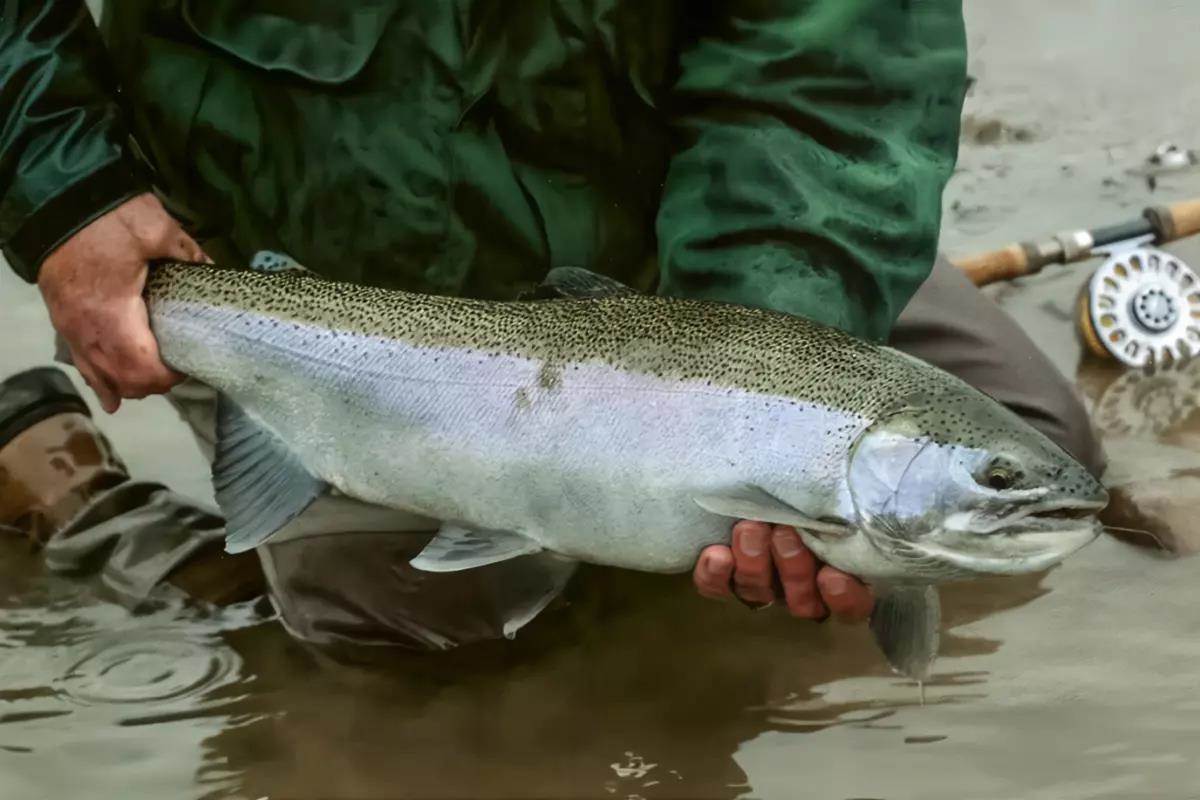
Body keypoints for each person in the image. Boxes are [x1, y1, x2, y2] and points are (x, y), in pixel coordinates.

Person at [0, 2, 1103, 650]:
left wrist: (776, 323)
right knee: (427, 624)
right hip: (303, 301)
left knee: (1041, 441)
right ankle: (91, 507)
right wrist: (62, 192)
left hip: (699, 255)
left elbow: (830, 66)